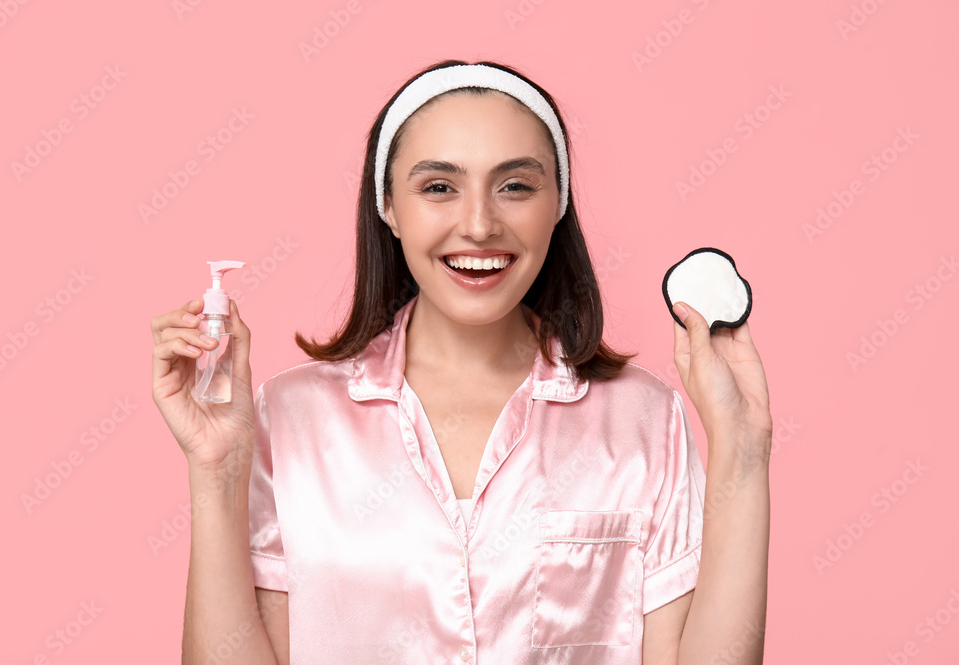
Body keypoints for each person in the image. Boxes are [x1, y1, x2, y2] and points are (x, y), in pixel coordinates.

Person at [151, 59, 772, 665]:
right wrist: (216, 471)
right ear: (388, 207)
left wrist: (744, 449)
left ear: (557, 205)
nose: (478, 225)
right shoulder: (289, 419)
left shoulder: (643, 418)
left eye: (516, 186)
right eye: (439, 187)